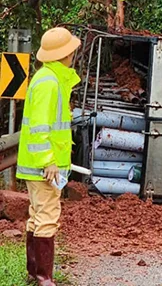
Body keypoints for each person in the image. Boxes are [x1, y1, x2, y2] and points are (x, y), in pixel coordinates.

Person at [17, 27, 82, 286]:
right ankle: (45, 278)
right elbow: (41, 128)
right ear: (65, 54)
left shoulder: (48, 78)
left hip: (40, 165)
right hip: (45, 167)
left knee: (37, 215)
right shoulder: (50, 83)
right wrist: (50, 162)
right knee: (47, 218)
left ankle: (35, 273)